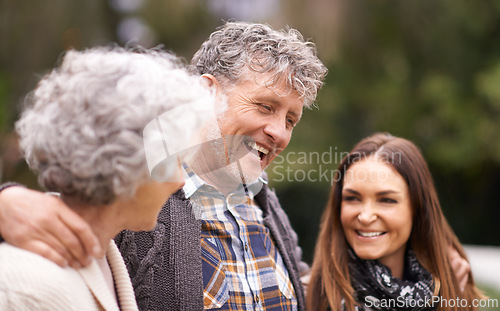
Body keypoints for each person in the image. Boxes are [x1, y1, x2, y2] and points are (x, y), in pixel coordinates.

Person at [0, 22, 469, 310]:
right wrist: (6, 203)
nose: (281, 133)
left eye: (290, 119)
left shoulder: (261, 199)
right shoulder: (139, 189)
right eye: (265, 107)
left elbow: (302, 286)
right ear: (206, 91)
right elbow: (74, 213)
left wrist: (414, 273)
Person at [0, 46, 217, 309]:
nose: (179, 182)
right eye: (174, 161)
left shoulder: (108, 257)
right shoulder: (27, 287)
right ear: (126, 162)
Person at [306, 133, 484, 311]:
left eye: (386, 200)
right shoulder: (304, 297)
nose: (365, 216)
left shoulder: (452, 294)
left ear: (418, 210)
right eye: (352, 198)